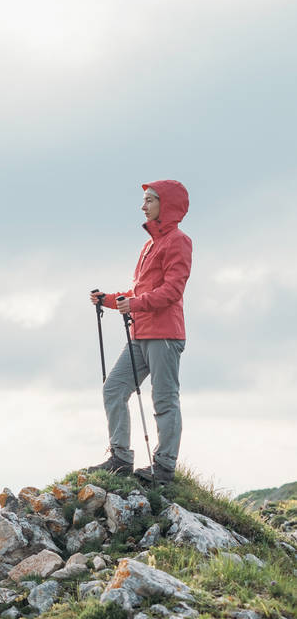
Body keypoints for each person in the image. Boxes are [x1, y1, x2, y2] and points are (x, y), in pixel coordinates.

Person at [88, 179, 192, 484]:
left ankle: (164, 467)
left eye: (150, 200)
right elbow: (139, 291)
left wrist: (133, 304)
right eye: (144, 200)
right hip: (140, 332)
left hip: (165, 335)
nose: (143, 206)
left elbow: (172, 291)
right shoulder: (150, 245)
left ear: (166, 204)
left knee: (164, 399)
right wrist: (109, 300)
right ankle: (120, 459)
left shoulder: (178, 241)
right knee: (113, 389)